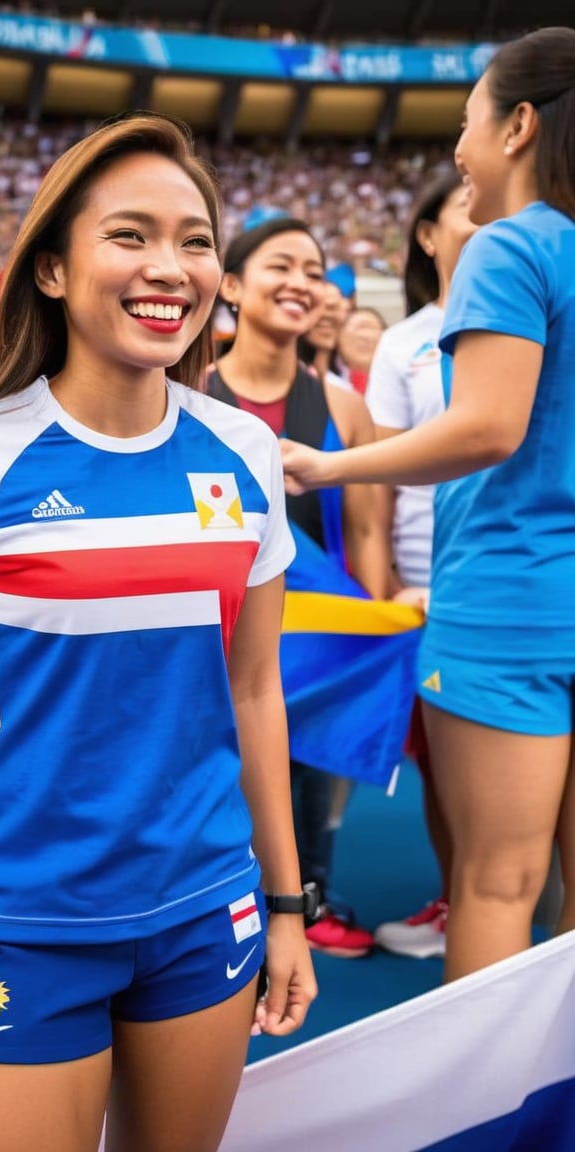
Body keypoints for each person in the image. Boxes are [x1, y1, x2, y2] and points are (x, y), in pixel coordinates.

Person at [0, 113, 316, 1150]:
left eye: (195, 240)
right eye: (131, 235)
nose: (171, 267)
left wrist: (286, 904)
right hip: (19, 927)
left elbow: (255, 693)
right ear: (54, 271)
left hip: (208, 910)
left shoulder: (244, 449)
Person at [280, 26, 575, 982]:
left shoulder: (507, 248)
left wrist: (329, 468)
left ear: (520, 125)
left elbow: (485, 427)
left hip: (509, 606)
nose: (457, 150)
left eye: (466, 122)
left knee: (495, 886)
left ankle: (494, 1123)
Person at [207, 215, 389, 959]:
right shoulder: (189, 389)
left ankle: (308, 894)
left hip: (311, 634)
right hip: (211, 630)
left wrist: (373, 621)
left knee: (308, 762)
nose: (301, 283)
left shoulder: (343, 407)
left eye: (314, 271)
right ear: (230, 285)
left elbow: (370, 526)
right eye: (281, 265)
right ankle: (223, 898)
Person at [365, 174, 477, 960]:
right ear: (427, 238)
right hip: (423, 587)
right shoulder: (403, 345)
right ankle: (457, 899)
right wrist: (384, 598)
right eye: (462, 209)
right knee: (446, 763)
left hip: (517, 581)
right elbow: (377, 488)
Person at [335, 306, 387, 394]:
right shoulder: (322, 380)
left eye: (370, 328)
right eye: (360, 328)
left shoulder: (394, 380)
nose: (364, 336)